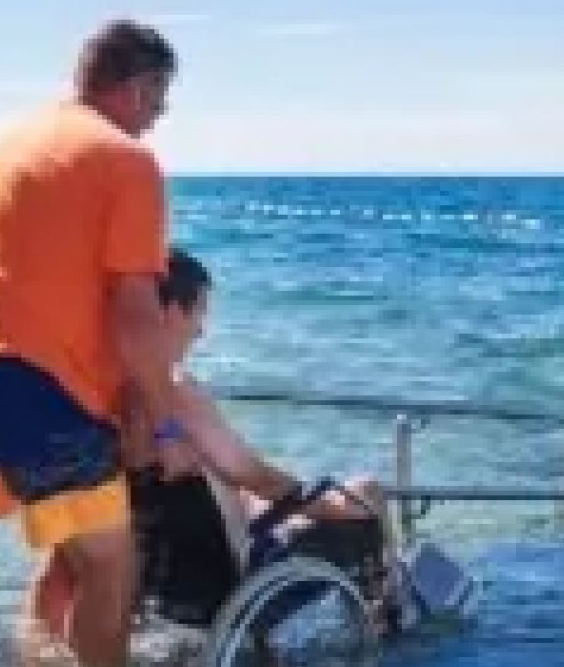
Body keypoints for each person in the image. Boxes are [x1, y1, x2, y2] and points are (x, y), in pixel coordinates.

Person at [0, 19, 189, 667]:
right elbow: (135, 313)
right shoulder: (124, 160)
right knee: (111, 567)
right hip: (33, 392)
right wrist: (167, 425)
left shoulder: (15, 140)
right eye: (160, 99)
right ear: (137, 87)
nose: (159, 118)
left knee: (67, 551)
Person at [124, 250, 397, 620]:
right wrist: (328, 508)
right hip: (240, 581)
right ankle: (388, 619)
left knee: (275, 504)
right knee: (367, 492)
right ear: (172, 312)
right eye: (200, 314)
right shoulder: (178, 392)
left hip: (173, 583)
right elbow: (253, 475)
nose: (201, 330)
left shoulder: (116, 397)